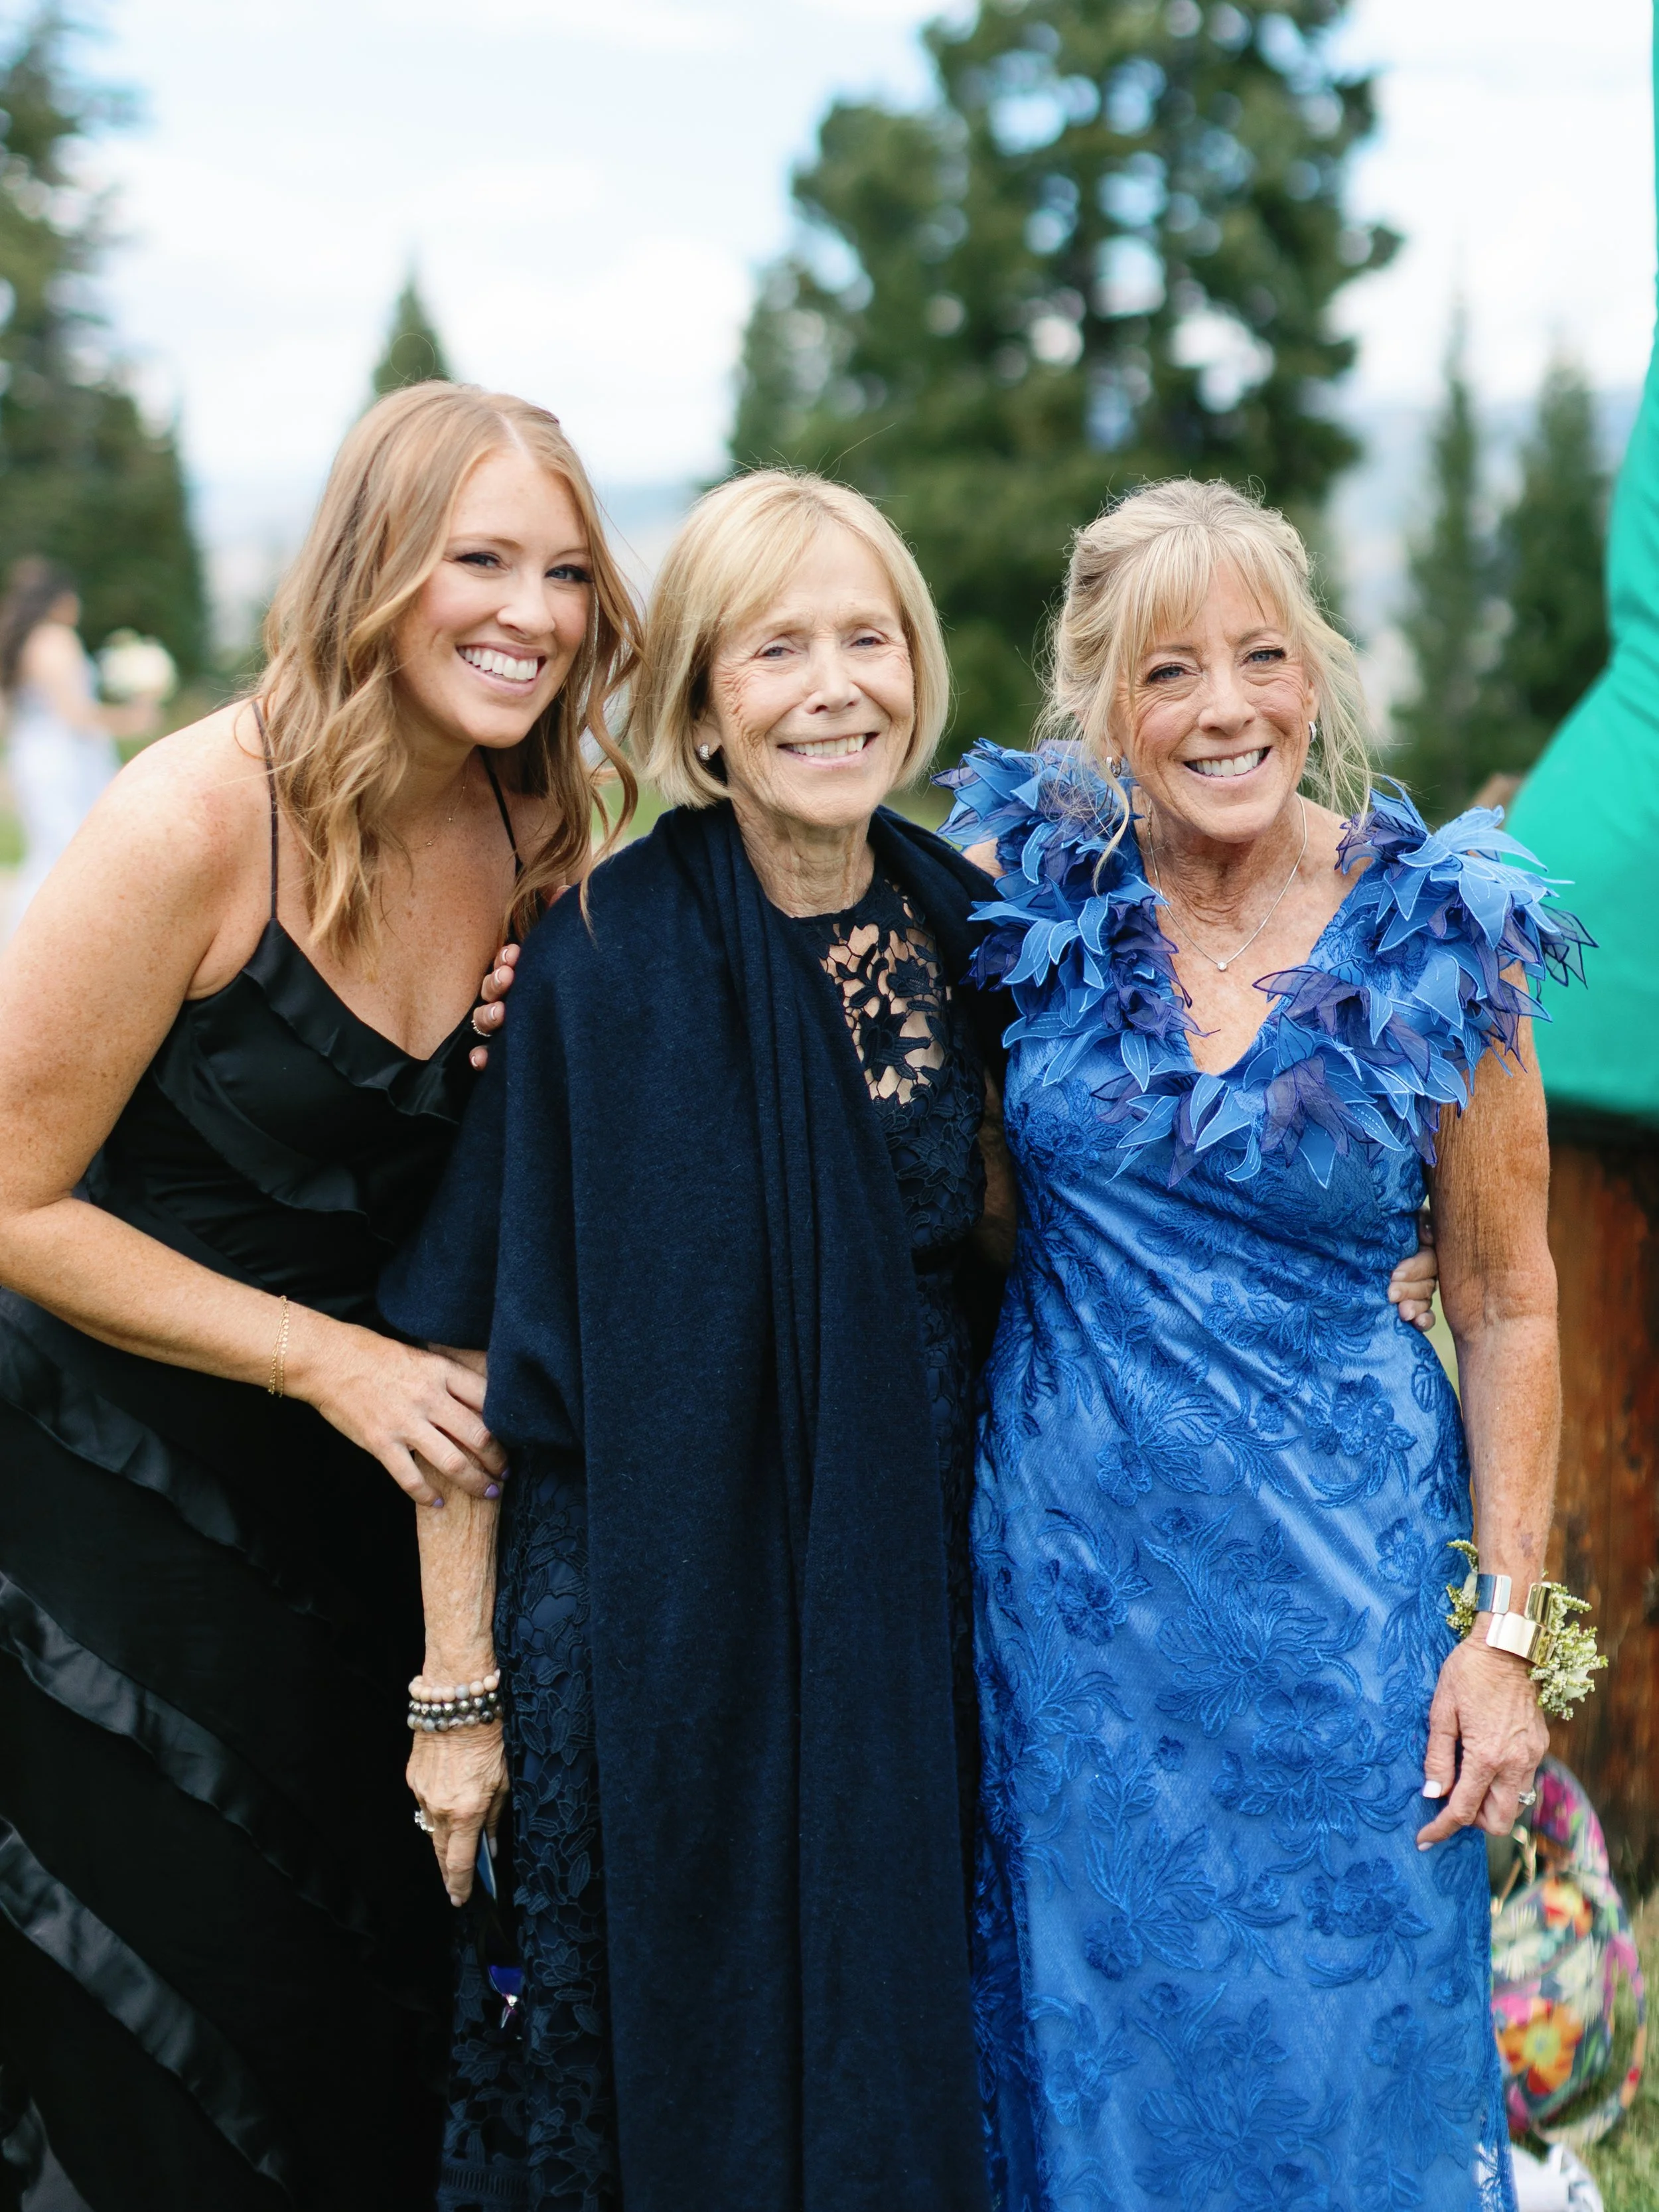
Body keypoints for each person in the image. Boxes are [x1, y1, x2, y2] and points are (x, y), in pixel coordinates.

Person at [380, 469, 1441, 2212]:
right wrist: (456, 1695)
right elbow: (465, 1363)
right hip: (652, 1653)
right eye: (775, 646)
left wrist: (1354, 1262)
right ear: (706, 698)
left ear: (916, 663)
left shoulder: (993, 941)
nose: (831, 686)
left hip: (912, 1632)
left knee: (907, 2072)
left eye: (865, 637)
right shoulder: (590, 956)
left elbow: (1108, 1209)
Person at [0, 383, 638, 2211]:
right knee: (147, 2021)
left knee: (353, 2016)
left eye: (568, 572)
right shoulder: (194, 816)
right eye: (482, 560)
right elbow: (9, 1191)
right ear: (375, 569)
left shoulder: (539, 817)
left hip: (375, 1524)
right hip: (109, 1516)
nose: (530, 612)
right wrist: (326, 1358)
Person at [940, 479, 1592, 2212]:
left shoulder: (1439, 927)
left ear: (1315, 674)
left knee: (1352, 2071)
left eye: (1259, 657)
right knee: (1096, 2090)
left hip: (1355, 1627)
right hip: (1079, 1628)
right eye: (1167, 671)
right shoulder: (1014, 908)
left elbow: (1511, 1294)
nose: (1221, 708)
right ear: (1098, 703)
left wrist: (1512, 1636)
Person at [0, 560, 160, 933]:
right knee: (67, 851)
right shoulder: (55, 639)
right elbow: (75, 714)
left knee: (52, 847)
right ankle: (39, 942)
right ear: (60, 599)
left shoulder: (24, 641)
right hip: (64, 758)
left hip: (34, 753)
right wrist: (132, 719)